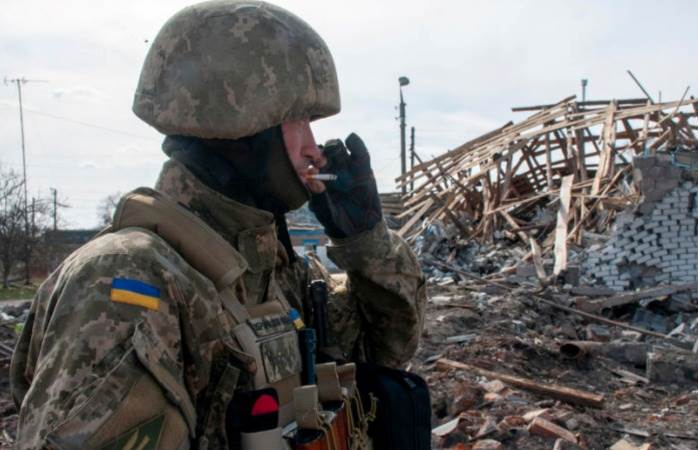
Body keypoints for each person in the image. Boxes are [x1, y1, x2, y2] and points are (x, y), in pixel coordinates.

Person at [10, 1, 426, 448]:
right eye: (298, 120)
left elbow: (387, 351)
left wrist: (365, 241)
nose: (313, 149)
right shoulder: (129, 282)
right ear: (240, 120)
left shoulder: (273, 273)